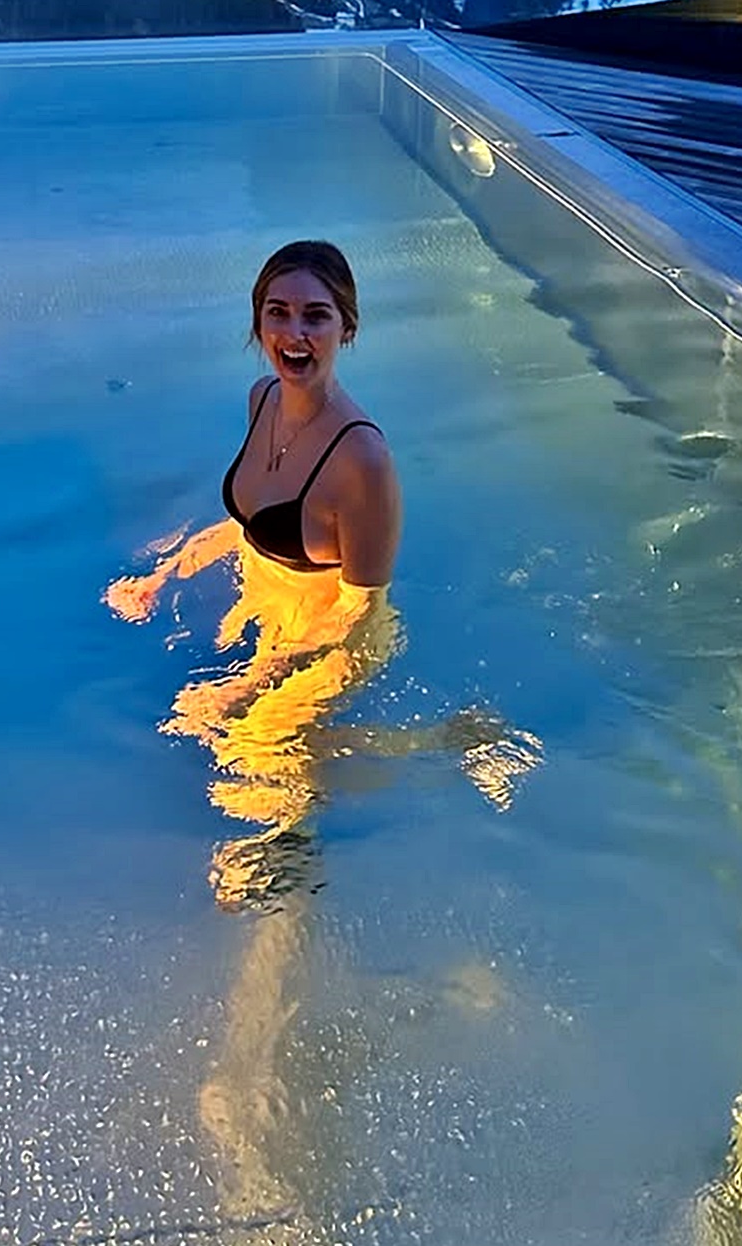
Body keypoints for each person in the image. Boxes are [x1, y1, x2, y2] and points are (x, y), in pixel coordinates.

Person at [105, 240, 540, 907]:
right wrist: (163, 576)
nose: (295, 333)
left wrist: (249, 684)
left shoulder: (362, 458)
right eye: (278, 313)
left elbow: (360, 607)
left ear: (347, 328)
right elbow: (249, 522)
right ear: (258, 323)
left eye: (316, 316)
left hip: (337, 633)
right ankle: (453, 736)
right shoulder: (261, 400)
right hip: (268, 602)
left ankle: (306, 841)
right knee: (236, 731)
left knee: (253, 743)